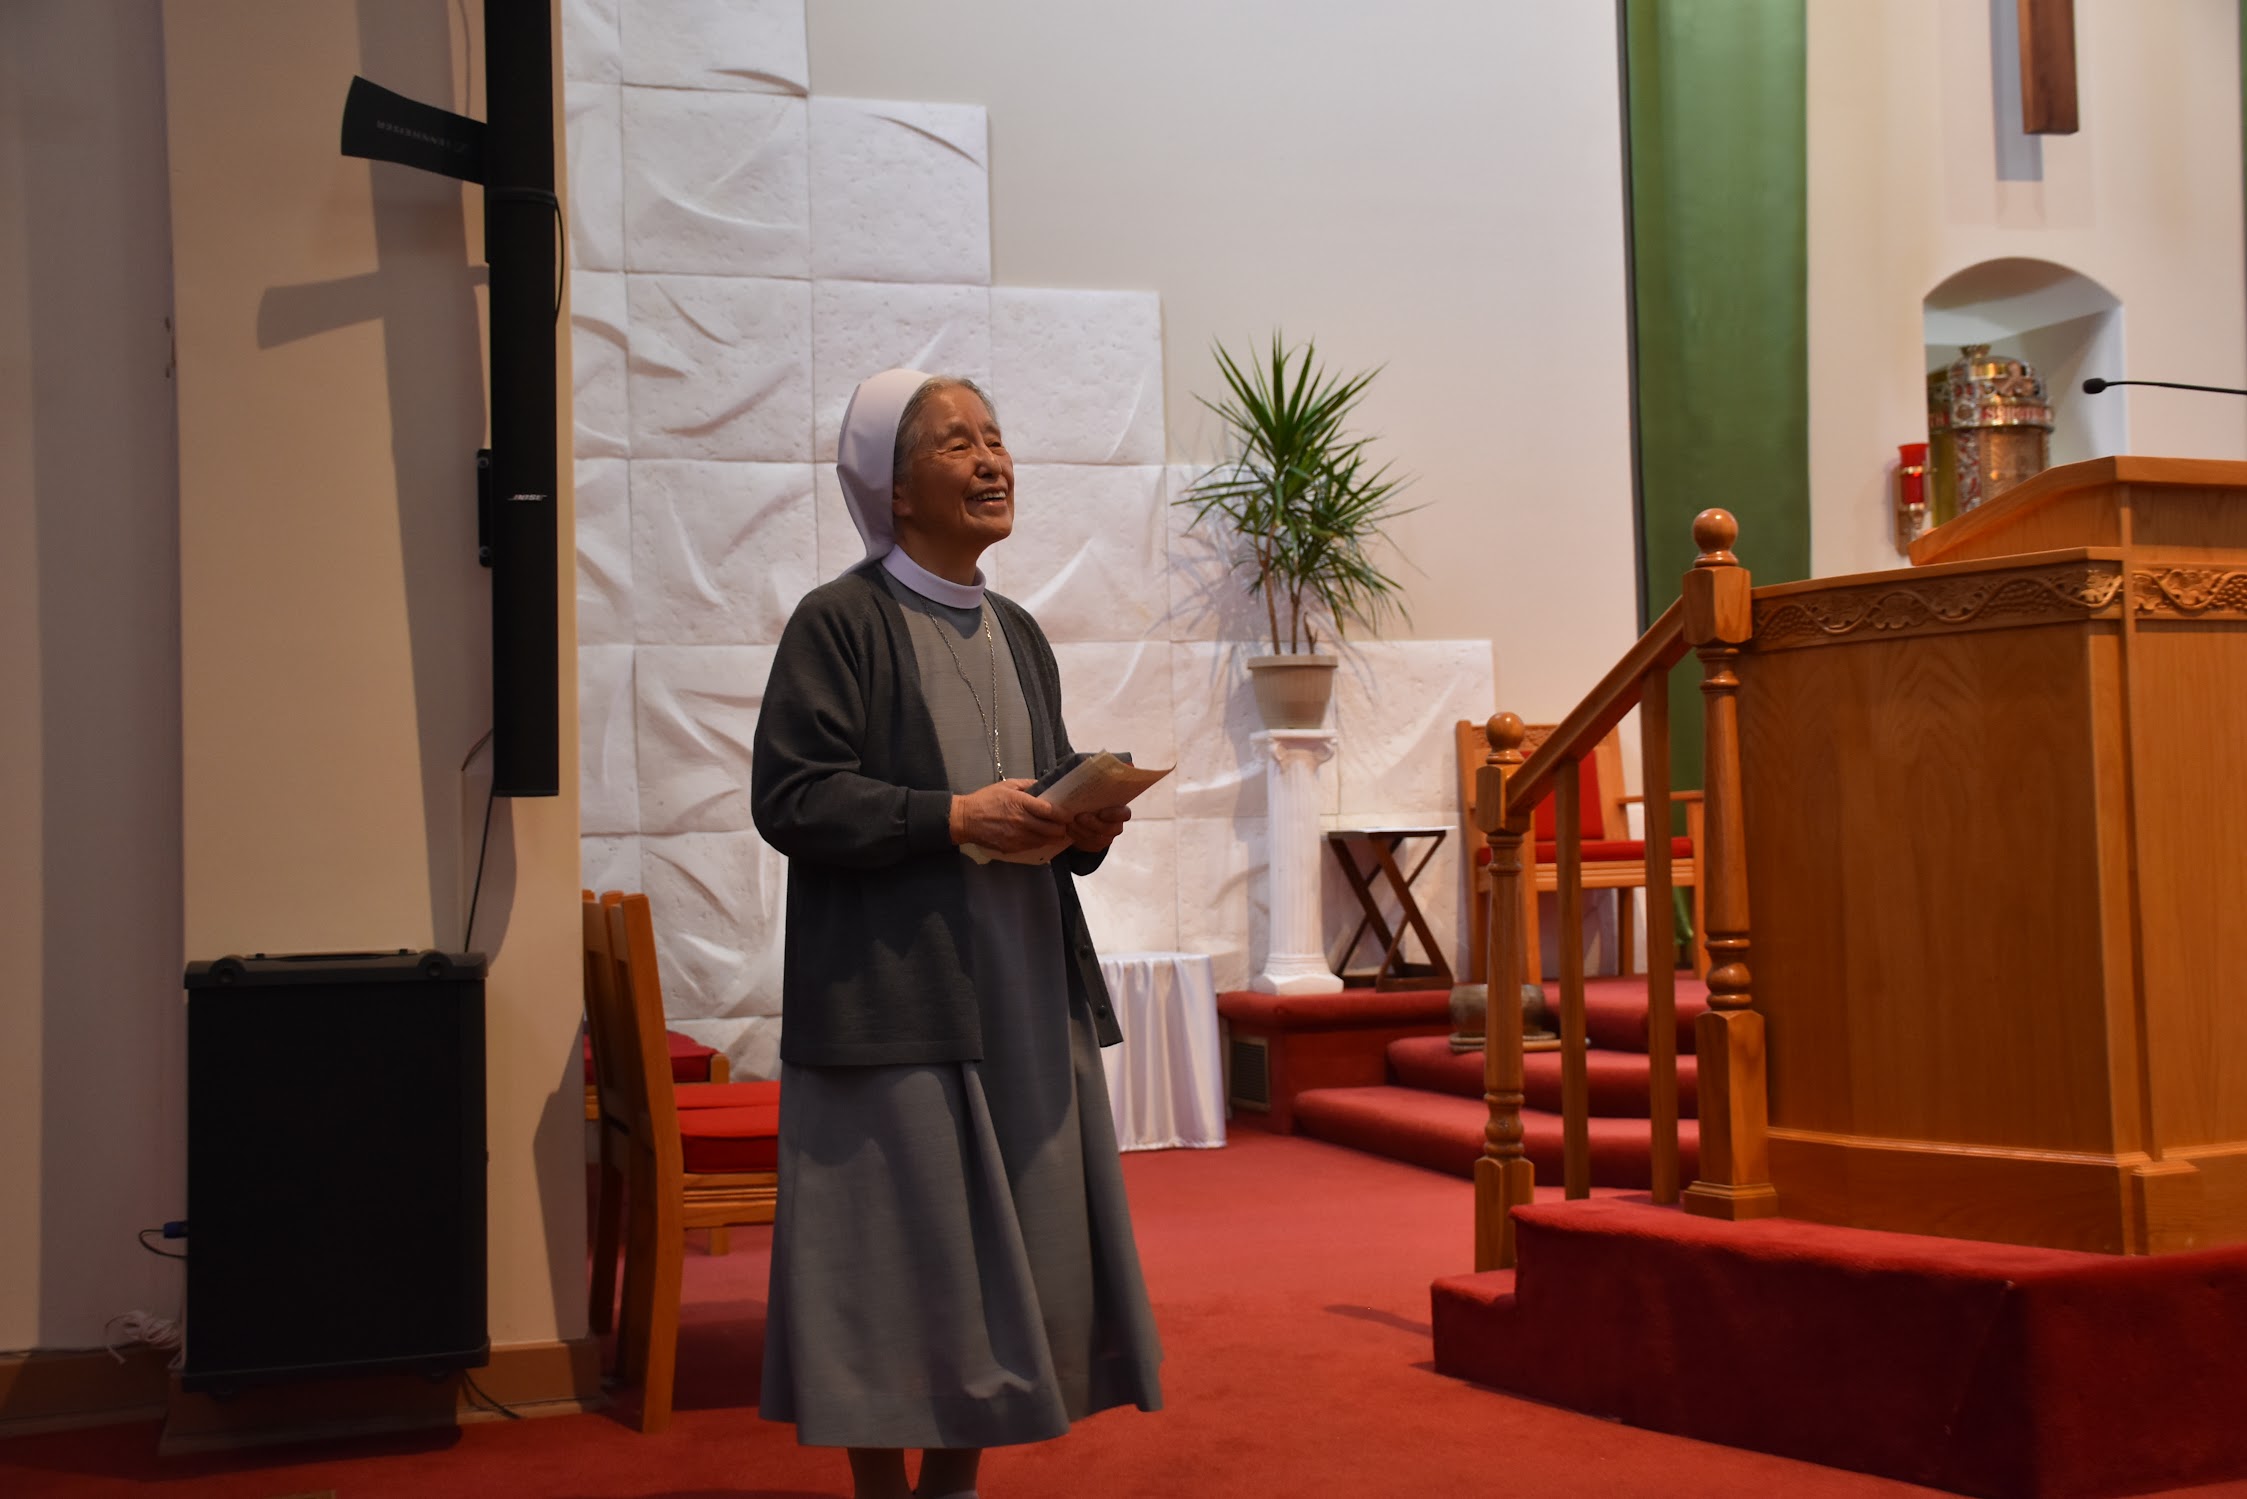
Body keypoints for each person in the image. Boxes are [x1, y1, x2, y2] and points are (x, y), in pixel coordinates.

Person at [750, 368, 1164, 1499]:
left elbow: (1036, 804)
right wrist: (949, 814)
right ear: (892, 487)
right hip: (897, 998)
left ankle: (953, 1488)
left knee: (1015, 1258)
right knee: (899, 1267)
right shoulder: (841, 621)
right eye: (956, 444)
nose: (992, 459)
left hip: (1023, 989)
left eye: (996, 436)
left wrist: (1084, 820)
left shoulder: (1020, 632)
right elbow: (792, 796)